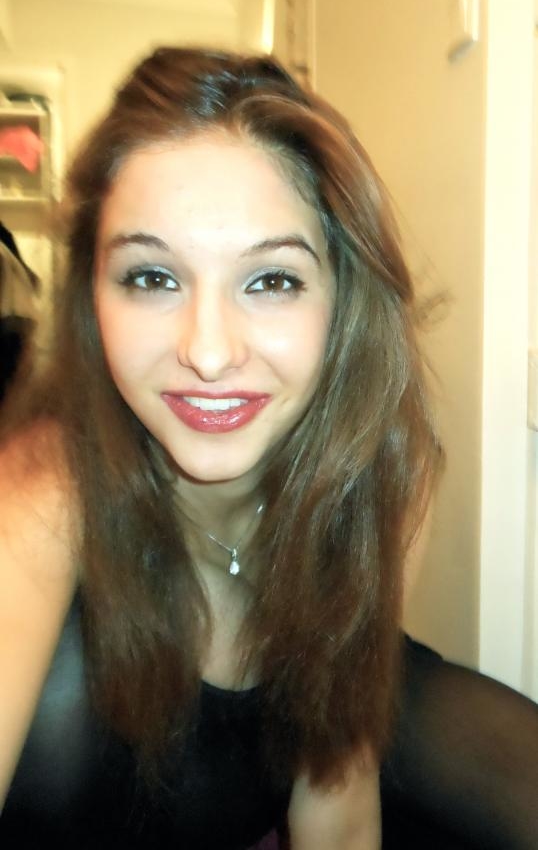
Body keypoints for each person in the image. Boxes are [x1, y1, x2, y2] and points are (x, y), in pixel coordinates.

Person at [0, 47, 443, 848]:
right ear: (91, 296)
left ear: (343, 300)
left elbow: (337, 813)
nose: (208, 352)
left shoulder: (382, 492)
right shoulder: (41, 499)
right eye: (152, 278)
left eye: (271, 280)